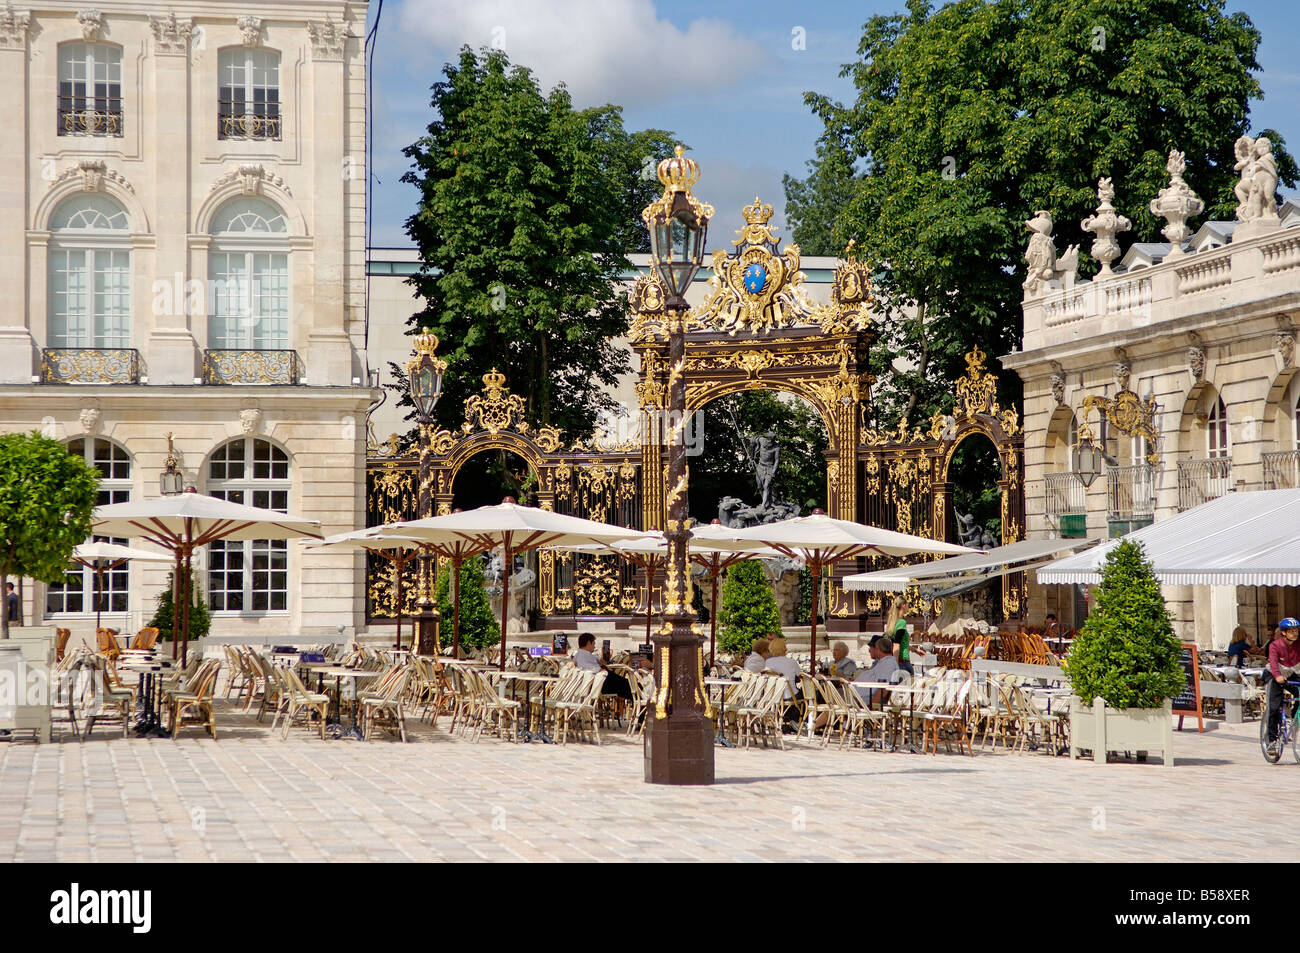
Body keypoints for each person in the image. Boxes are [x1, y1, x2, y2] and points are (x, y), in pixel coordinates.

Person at [1264, 618, 1300, 753]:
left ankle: (1295, 718)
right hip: (1275, 675)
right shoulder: (1275, 645)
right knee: (1274, 707)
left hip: (1292, 674)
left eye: (1296, 630)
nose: (1295, 633)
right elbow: (1273, 662)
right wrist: (1278, 676)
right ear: (1284, 633)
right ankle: (1272, 740)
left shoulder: (1298, 645)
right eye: (1292, 631)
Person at [573, 633, 633, 700]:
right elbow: (591, 669)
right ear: (588, 643)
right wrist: (602, 669)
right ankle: (638, 699)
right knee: (627, 685)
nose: (594, 647)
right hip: (599, 683)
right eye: (593, 644)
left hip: (595, 683)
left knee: (624, 685)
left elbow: (593, 661)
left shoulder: (578, 655)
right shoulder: (585, 655)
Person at [852, 636, 900, 704]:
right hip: (856, 694)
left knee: (834, 694)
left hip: (859, 699)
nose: (869, 651)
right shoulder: (883, 662)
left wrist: (874, 705)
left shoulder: (888, 664)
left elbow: (884, 688)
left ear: (878, 649)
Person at [885, 597, 913, 675]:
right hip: (903, 662)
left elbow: (901, 642)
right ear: (903, 605)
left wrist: (915, 650)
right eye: (907, 605)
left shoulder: (893, 622)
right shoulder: (902, 623)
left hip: (897, 660)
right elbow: (896, 644)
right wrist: (895, 665)